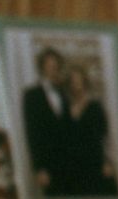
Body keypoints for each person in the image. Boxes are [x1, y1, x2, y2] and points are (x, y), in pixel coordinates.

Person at [59, 66, 118, 196]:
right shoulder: (65, 109)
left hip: (94, 162)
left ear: (85, 82)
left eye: (79, 80)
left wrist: (107, 162)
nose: (76, 84)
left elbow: (103, 137)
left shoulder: (95, 107)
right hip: (73, 165)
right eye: (73, 81)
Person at [21, 48, 67, 195]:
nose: (53, 68)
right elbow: (32, 133)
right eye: (49, 64)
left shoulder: (64, 91)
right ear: (42, 67)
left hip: (68, 162)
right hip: (47, 163)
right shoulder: (31, 95)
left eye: (55, 64)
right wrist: (39, 169)